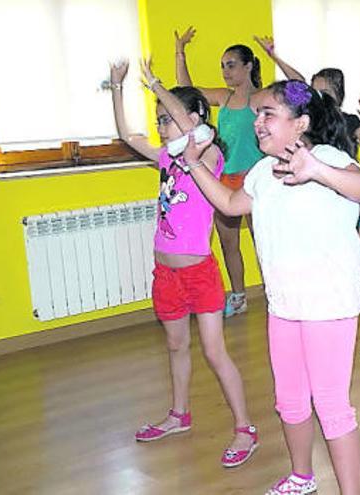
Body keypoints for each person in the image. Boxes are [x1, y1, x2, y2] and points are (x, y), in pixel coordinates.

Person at [184, 79, 360, 495]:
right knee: (289, 399)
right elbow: (232, 205)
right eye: (257, 114)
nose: (258, 122)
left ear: (300, 123)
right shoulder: (262, 171)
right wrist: (194, 164)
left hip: (329, 305)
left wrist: (317, 171)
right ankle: (302, 476)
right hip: (285, 304)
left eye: (268, 114)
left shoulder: (326, 157)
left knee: (331, 408)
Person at [108, 60, 256, 468]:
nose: (161, 125)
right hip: (166, 273)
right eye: (159, 120)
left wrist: (156, 85)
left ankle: (245, 428)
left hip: (199, 273)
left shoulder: (207, 159)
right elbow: (125, 134)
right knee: (176, 345)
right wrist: (117, 88)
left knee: (214, 351)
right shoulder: (165, 159)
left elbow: (189, 131)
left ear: (194, 120)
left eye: (167, 119)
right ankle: (179, 415)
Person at [254, 35, 360, 360]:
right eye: (313, 88)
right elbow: (295, 83)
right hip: (320, 206)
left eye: (322, 89)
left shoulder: (347, 122)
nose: (315, 93)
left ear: (336, 92)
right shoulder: (306, 125)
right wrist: (275, 55)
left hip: (352, 200)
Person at [175, 27, 265, 317]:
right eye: (223, 66)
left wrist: (276, 54)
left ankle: (274, 292)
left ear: (248, 66)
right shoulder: (223, 98)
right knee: (229, 245)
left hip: (254, 180)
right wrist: (180, 52)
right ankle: (238, 296)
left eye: (231, 65)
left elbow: (298, 89)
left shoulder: (261, 99)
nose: (226, 71)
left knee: (264, 243)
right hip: (225, 182)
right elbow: (186, 93)